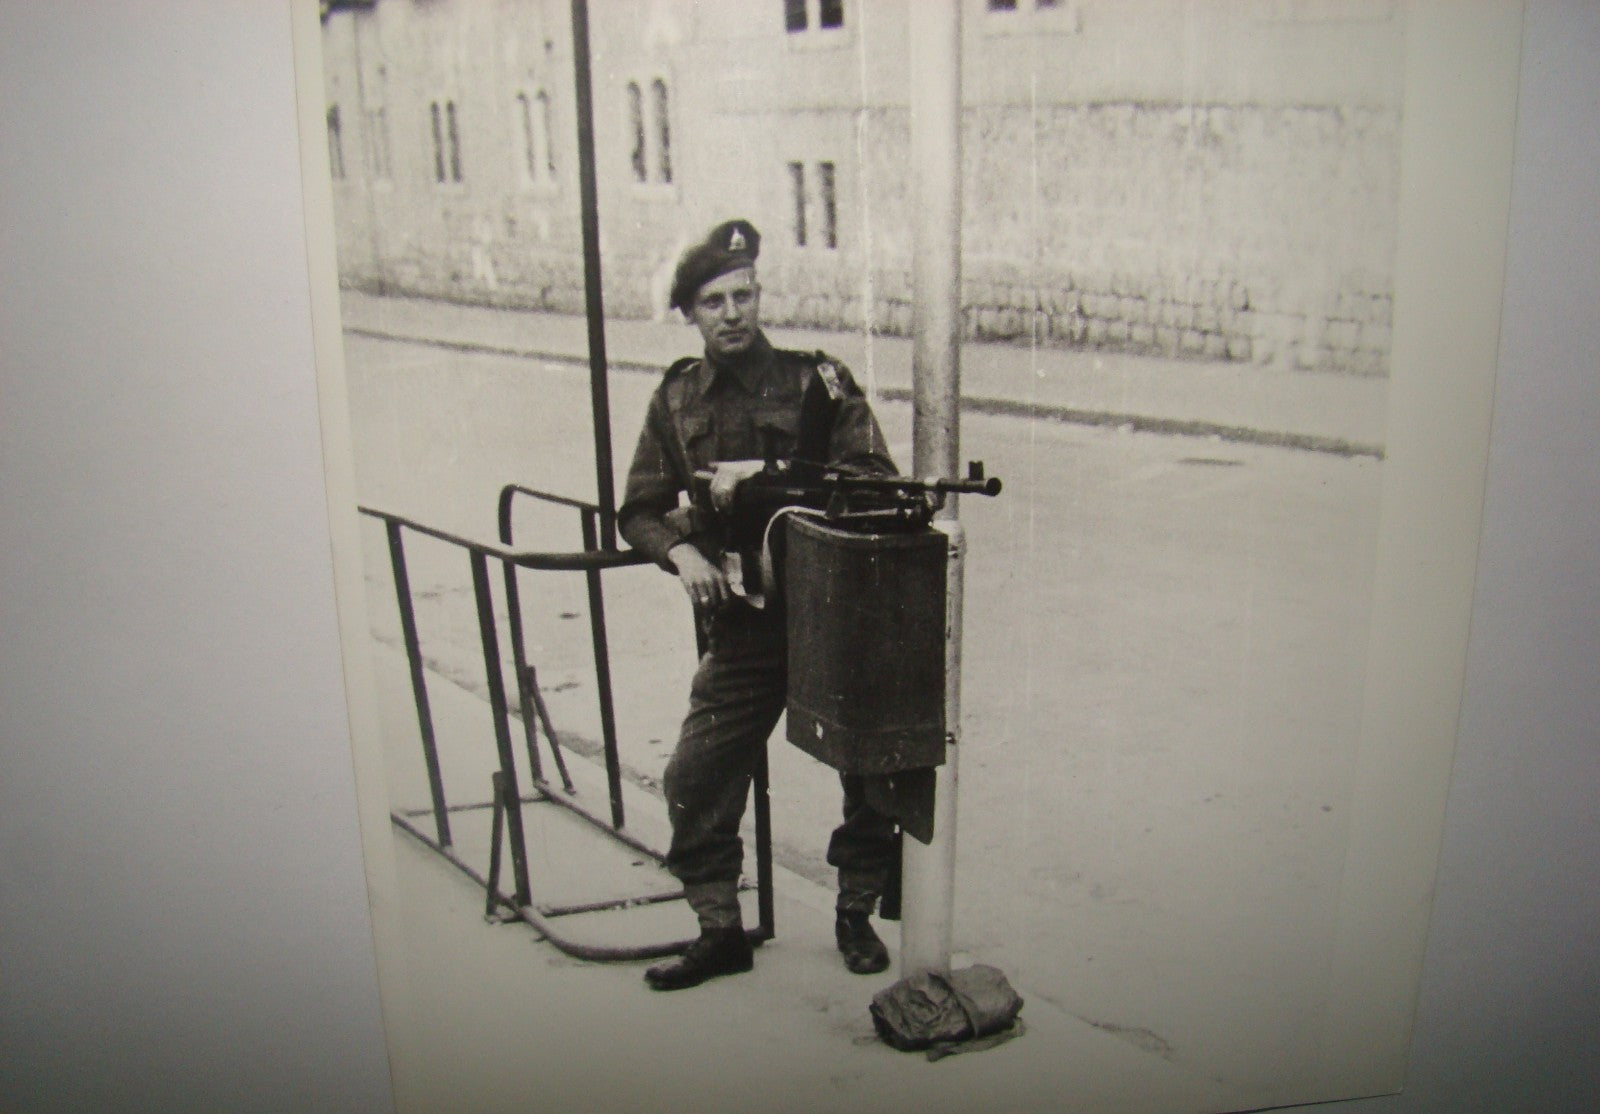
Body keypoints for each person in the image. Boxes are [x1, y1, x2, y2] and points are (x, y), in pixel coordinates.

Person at [618, 218, 901, 991]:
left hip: (834, 617)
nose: (733, 312)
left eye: (743, 294)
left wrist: (771, 473)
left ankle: (855, 910)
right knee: (694, 773)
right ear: (691, 314)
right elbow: (638, 506)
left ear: (759, 295)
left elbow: (876, 481)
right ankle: (719, 928)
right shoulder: (677, 398)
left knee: (870, 768)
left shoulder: (820, 383)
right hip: (745, 623)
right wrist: (680, 552)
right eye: (714, 301)